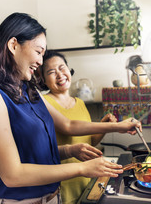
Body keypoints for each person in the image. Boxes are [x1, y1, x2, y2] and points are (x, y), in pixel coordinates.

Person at [0, 12, 141, 204]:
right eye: (38, 52)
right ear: (13, 45)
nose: (40, 62)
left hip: (53, 197)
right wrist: (82, 168)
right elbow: (13, 175)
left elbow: (66, 125)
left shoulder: (29, 91)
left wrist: (72, 149)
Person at [38, 50, 117, 204]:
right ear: (44, 80)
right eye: (51, 72)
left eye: (62, 68)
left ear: (69, 70)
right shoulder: (43, 102)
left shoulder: (79, 103)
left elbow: (90, 143)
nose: (60, 75)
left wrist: (104, 126)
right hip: (61, 184)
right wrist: (119, 126)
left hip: (86, 180)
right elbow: (68, 128)